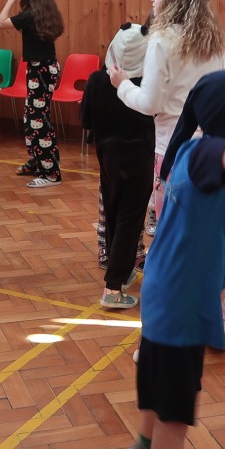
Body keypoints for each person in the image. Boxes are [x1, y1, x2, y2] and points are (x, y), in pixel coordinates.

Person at [122, 60, 225, 449]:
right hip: (179, 304)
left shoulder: (199, 151)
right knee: (174, 419)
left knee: (161, 390)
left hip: (171, 295)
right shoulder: (209, 154)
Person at [111, 0, 225, 223]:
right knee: (202, 225)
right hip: (211, 146)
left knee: (173, 229)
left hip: (173, 148)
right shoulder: (215, 39)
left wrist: (122, 85)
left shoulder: (162, 39)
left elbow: (149, 103)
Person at [81, 21, 155, 309]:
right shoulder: (145, 85)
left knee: (112, 214)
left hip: (108, 158)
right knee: (130, 219)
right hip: (139, 159)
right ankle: (113, 287)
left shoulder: (97, 80)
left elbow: (86, 120)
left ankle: (120, 271)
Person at [0, 0, 65, 188]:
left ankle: (51, 173)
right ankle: (38, 162)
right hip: (43, 69)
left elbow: (0, 23)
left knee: (39, 121)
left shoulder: (29, 15)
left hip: (40, 71)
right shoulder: (46, 12)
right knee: (32, 118)